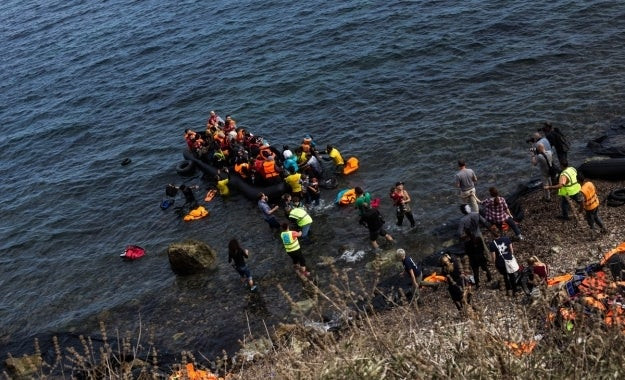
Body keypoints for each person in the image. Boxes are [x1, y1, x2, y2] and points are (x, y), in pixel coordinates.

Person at [488, 229, 519, 296]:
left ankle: (509, 290)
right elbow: (511, 250)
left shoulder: (492, 244)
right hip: (509, 260)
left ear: (492, 235)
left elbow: (494, 257)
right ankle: (515, 290)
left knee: (505, 276)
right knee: (512, 276)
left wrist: (494, 264)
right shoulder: (506, 239)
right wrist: (510, 256)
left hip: (500, 262)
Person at [578, 172, 608, 238]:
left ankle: (594, 235)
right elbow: (595, 191)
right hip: (596, 203)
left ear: (578, 181)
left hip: (590, 208)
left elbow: (582, 203)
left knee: (590, 221)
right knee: (596, 217)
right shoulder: (590, 183)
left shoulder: (582, 190)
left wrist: (580, 210)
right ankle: (604, 228)